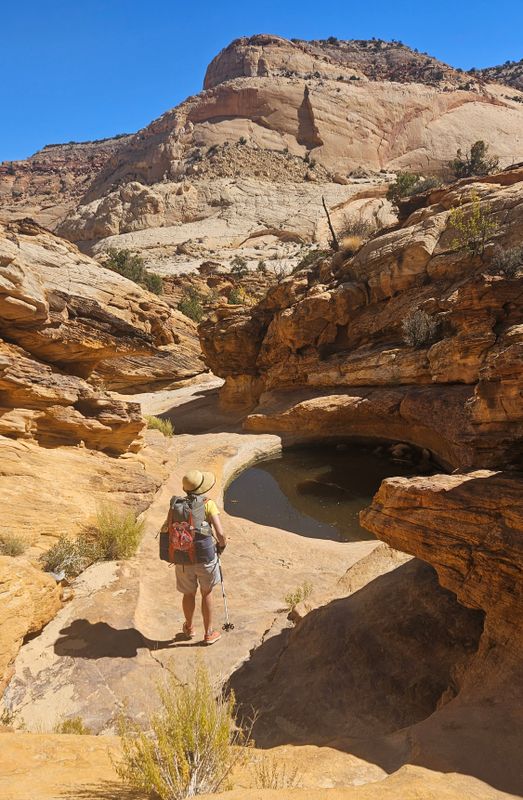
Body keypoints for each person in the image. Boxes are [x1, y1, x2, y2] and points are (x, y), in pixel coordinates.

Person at [169, 469, 226, 645]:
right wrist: (222, 545)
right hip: (205, 557)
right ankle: (209, 633)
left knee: (188, 594)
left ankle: (189, 627)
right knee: (206, 592)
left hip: (183, 557)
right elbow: (220, 533)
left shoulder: (177, 505)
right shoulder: (208, 504)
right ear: (201, 488)